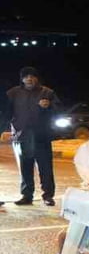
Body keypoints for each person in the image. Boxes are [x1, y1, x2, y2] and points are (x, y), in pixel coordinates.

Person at [4, 66, 61, 206]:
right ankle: (26, 195)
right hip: (21, 136)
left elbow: (59, 109)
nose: (29, 78)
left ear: (37, 78)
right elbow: (6, 111)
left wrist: (49, 106)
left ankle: (48, 196)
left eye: (32, 76)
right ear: (22, 79)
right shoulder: (13, 93)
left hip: (41, 136)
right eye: (26, 76)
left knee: (45, 168)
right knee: (25, 168)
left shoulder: (47, 92)